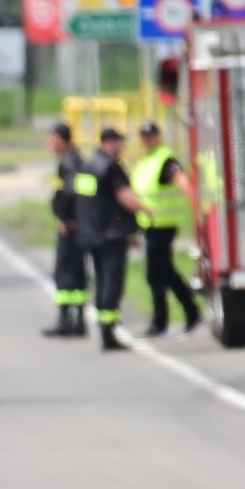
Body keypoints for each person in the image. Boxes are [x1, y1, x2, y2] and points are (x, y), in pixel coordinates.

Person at [72, 128, 148, 353]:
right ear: (111, 142)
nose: (122, 147)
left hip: (91, 234)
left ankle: (104, 329)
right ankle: (109, 333)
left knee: (101, 282)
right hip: (111, 235)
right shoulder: (111, 166)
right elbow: (124, 197)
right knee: (112, 282)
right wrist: (149, 211)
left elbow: (84, 201)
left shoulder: (88, 166)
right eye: (120, 142)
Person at [132, 121, 202, 337]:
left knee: (155, 274)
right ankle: (192, 312)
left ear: (158, 136)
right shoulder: (146, 160)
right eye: (144, 135)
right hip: (150, 225)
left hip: (163, 224)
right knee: (166, 272)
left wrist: (196, 211)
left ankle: (160, 321)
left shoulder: (166, 160)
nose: (147, 139)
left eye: (151, 135)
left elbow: (183, 183)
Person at [41, 122, 88, 338]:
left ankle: (65, 320)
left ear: (61, 140)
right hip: (79, 225)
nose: (49, 143)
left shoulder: (69, 162)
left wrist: (67, 219)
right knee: (77, 273)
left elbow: (70, 191)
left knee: (65, 272)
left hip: (71, 227)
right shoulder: (76, 160)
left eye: (51, 139)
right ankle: (78, 319)